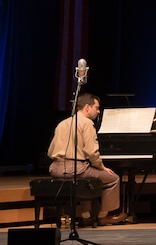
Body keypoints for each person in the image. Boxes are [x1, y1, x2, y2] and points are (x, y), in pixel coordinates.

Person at [47, 93, 128, 225]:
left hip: (55, 168)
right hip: (75, 169)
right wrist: (101, 167)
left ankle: (85, 216)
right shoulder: (87, 123)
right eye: (96, 107)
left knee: (88, 180)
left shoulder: (63, 123)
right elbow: (91, 152)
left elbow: (51, 151)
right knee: (113, 178)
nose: (98, 111)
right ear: (87, 107)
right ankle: (104, 215)